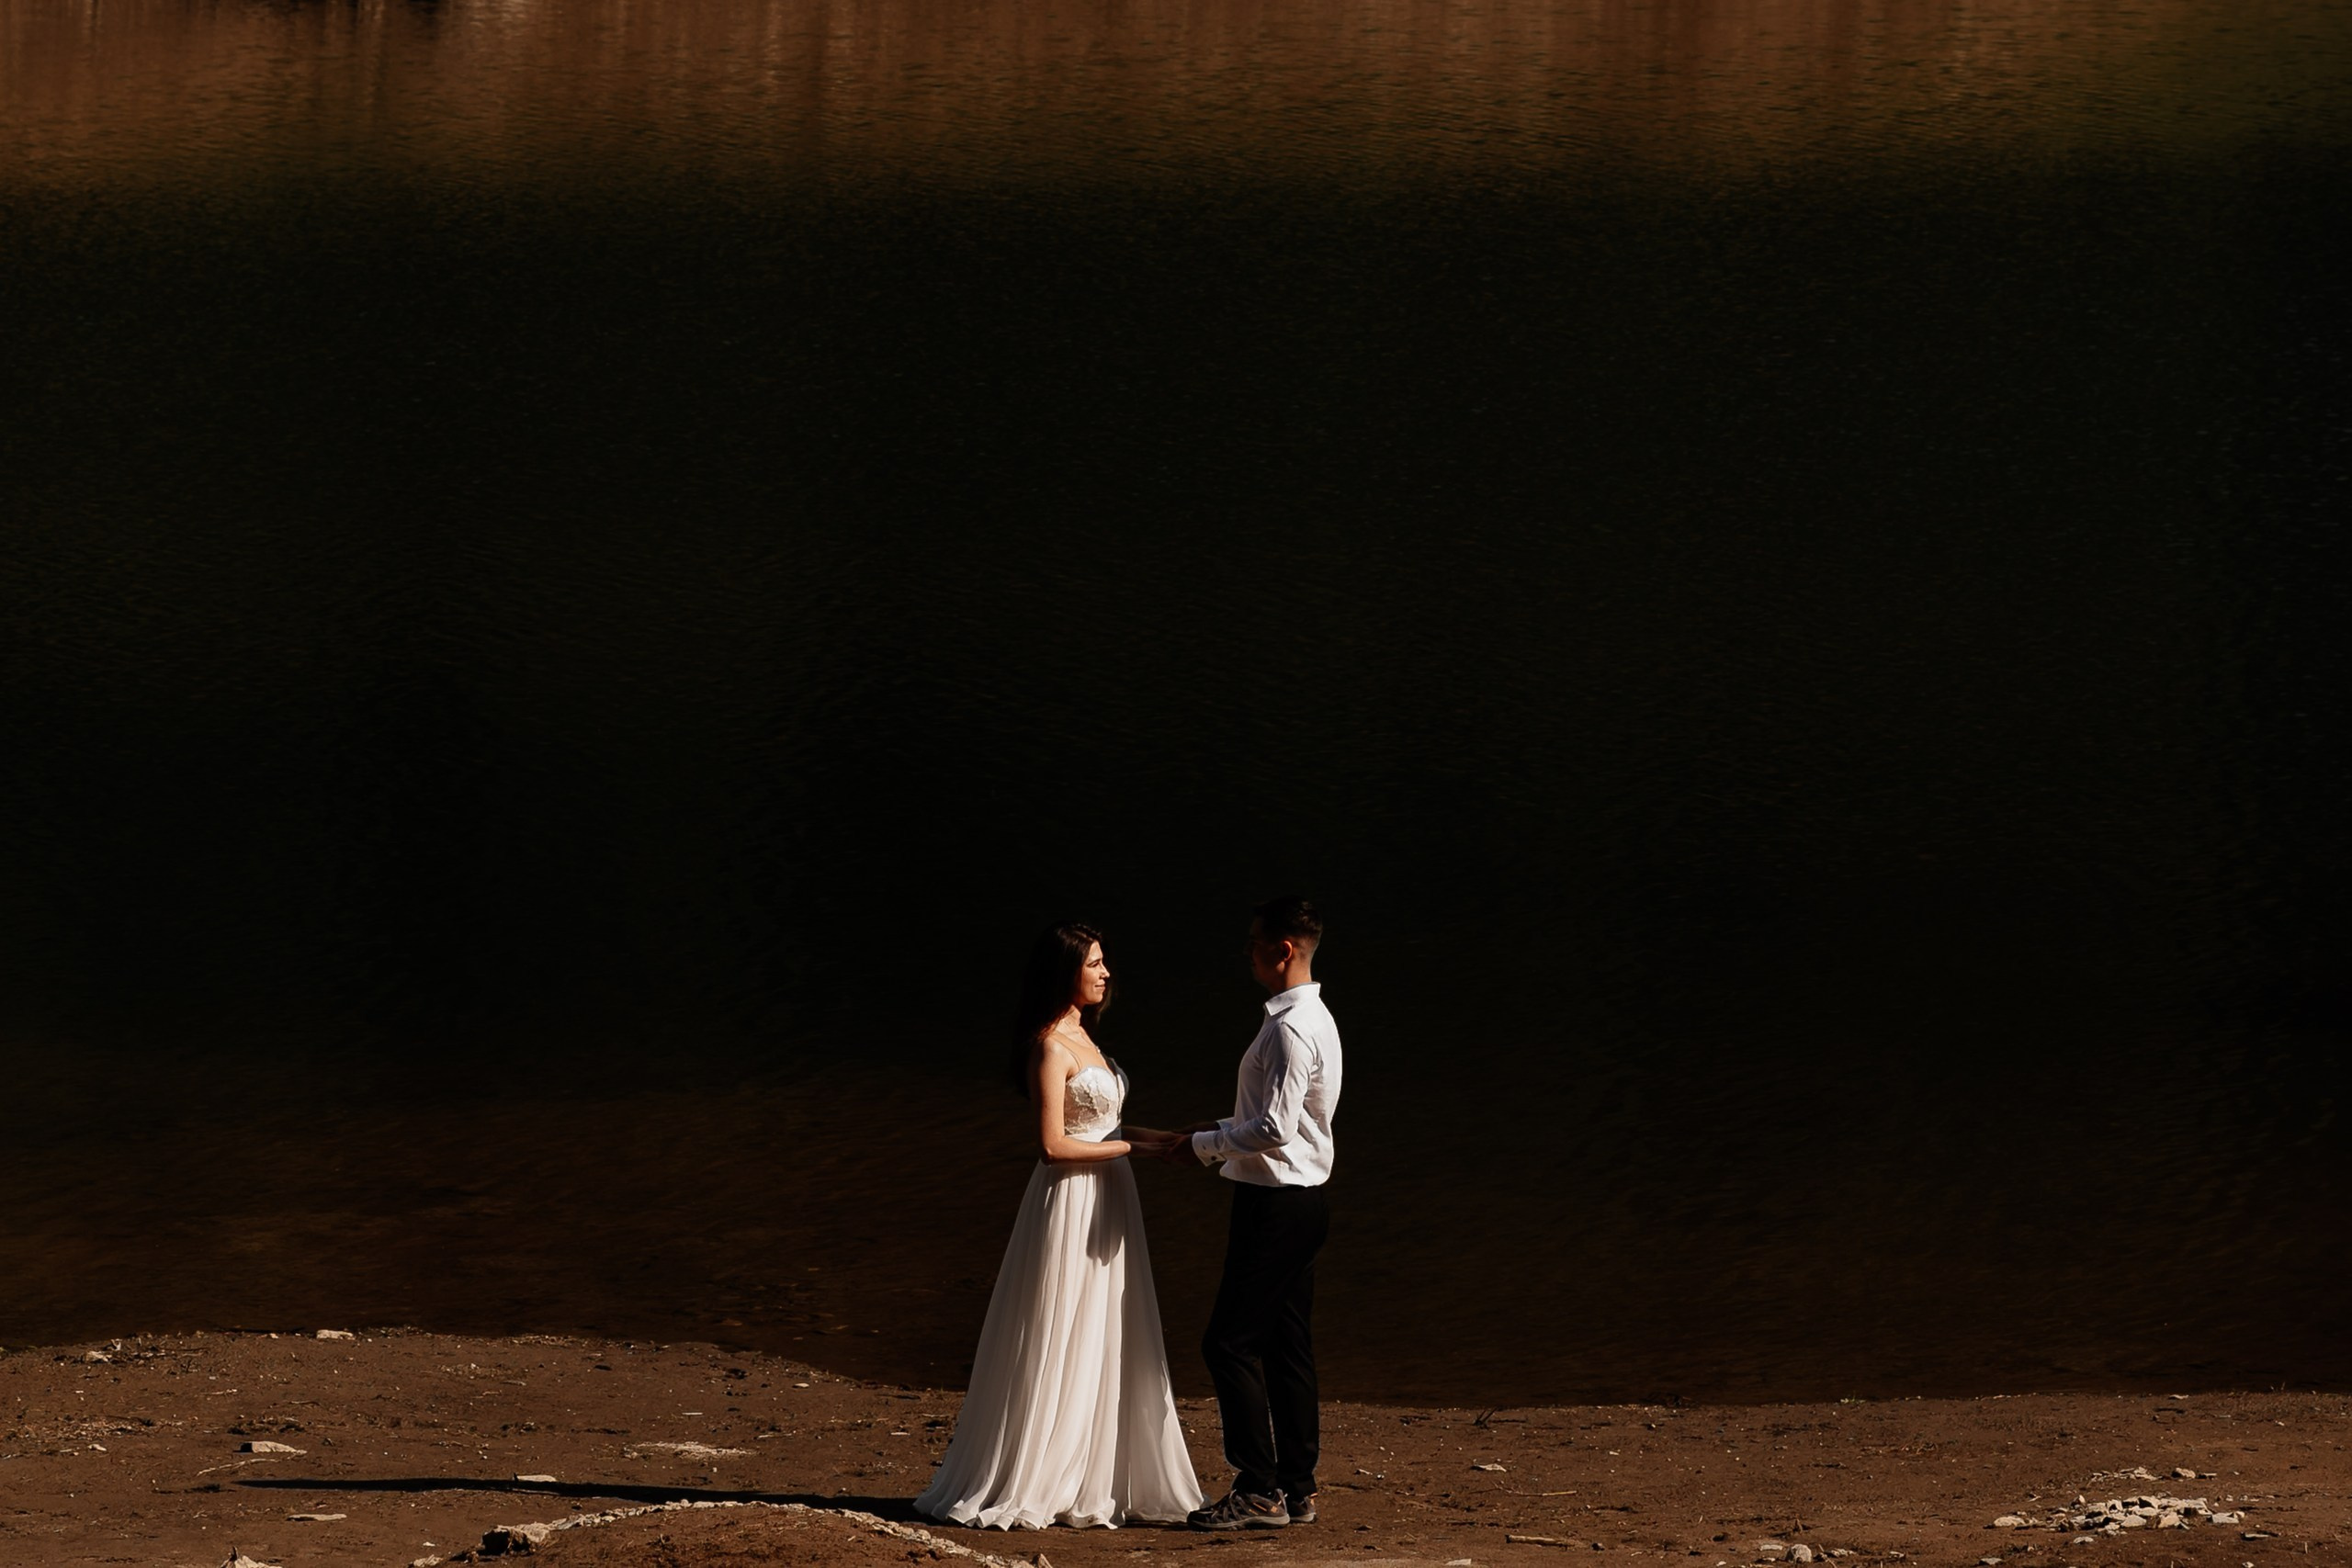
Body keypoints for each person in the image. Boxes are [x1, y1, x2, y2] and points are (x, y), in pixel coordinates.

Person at [914, 922, 1204, 1529]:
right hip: (1071, 1200)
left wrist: (1173, 1141)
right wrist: (1138, 1153)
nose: (1105, 973)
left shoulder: (1088, 1038)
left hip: (1110, 1199)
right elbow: (1053, 1146)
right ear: (1065, 970)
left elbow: (1111, 1126)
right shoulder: (1049, 1046)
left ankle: (1098, 1470)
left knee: (1106, 1323)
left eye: (1105, 963)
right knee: (1062, 1324)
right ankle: (1048, 1471)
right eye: (1094, 963)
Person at [1151, 895, 1343, 1531]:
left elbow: (1275, 1128)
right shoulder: (1315, 1016)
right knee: (1288, 1345)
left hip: (1278, 1204)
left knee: (1227, 1342)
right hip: (1301, 1200)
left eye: (1255, 941)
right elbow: (1280, 1119)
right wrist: (1211, 1129)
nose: (1249, 951)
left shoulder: (1290, 1026)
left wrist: (1204, 1147)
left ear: (1282, 949)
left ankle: (1260, 1486)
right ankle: (1296, 1486)